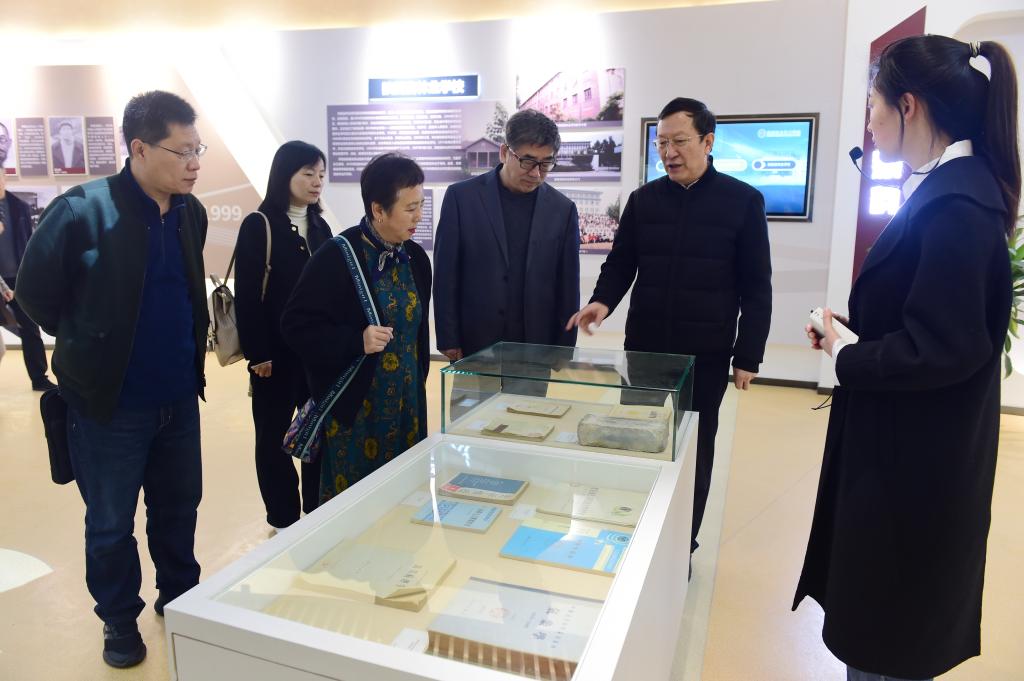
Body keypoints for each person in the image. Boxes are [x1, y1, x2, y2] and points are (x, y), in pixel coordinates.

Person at [793, 36, 1020, 681]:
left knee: (888, 638)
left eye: (874, 104)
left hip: (912, 467)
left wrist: (846, 353)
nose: (869, 120)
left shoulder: (956, 206)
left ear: (909, 106)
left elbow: (939, 348)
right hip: (909, 453)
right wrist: (854, 333)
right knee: (885, 627)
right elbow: (929, 317)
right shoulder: (951, 192)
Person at [17, 90, 210, 669]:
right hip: (109, 408)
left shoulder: (190, 213)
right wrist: (90, 340)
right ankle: (119, 620)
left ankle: (180, 597)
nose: (194, 163)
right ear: (140, 149)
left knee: (179, 508)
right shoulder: (81, 211)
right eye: (182, 151)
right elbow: (33, 295)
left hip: (178, 398)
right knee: (109, 523)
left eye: (198, 149)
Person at [566, 97, 772, 563]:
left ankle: (682, 547)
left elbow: (757, 286)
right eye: (661, 143)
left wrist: (748, 355)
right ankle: (632, 532)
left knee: (694, 450)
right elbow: (621, 263)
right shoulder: (644, 201)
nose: (668, 152)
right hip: (645, 349)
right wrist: (602, 302)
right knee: (635, 439)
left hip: (706, 354)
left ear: (708, 141)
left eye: (679, 141)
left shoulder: (742, 201)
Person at [281, 153, 431, 504]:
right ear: (379, 209)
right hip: (356, 413)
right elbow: (295, 325)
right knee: (353, 507)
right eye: (410, 208)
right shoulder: (337, 256)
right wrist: (354, 340)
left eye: (421, 206)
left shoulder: (416, 259)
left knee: (403, 502)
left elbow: (419, 335)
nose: (419, 216)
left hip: (408, 406)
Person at [234, 141, 332, 530]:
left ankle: (316, 510)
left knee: (316, 434)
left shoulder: (322, 227)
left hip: (316, 355)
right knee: (273, 439)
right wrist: (258, 353)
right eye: (308, 173)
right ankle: (283, 517)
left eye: (321, 174)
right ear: (284, 176)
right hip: (273, 358)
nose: (317, 182)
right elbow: (247, 295)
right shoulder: (259, 225)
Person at [434, 108, 580, 363]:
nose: (536, 173)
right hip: (474, 343)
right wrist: (448, 337)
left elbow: (568, 285)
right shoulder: (462, 198)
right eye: (528, 161)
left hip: (535, 347)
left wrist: (564, 348)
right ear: (504, 152)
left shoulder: (563, 209)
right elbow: (446, 274)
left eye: (546, 164)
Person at [0, 170, 56, 390]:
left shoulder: (19, 207)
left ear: (5, 179)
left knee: (30, 329)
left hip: (18, 278)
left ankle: (39, 377)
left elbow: (29, 243)